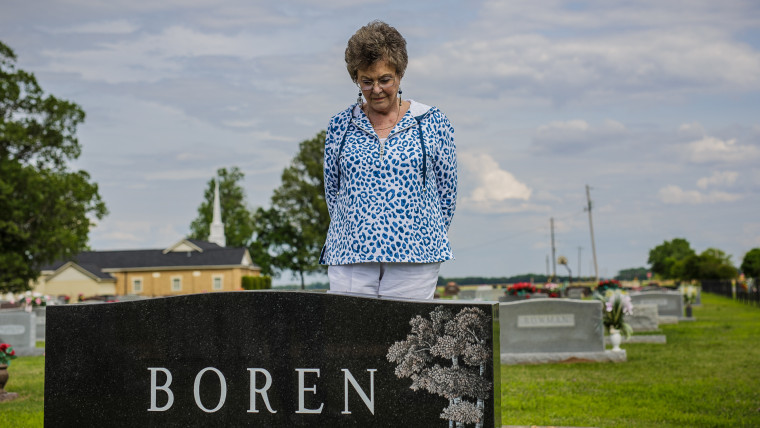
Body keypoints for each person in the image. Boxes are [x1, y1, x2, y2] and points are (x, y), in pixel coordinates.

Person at [320, 20, 457, 299]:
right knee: (349, 339)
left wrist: (418, 231)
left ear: (400, 74)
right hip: (350, 257)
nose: (376, 90)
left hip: (416, 257)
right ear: (356, 78)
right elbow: (333, 192)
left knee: (405, 342)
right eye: (366, 81)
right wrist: (358, 228)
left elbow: (447, 193)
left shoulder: (432, 121)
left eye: (385, 79)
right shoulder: (339, 126)